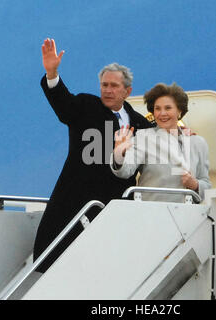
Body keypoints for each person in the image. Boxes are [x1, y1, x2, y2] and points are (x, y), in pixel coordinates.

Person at [33, 39, 153, 273]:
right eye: (104, 85)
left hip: (117, 203)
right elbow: (64, 105)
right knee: (61, 256)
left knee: (110, 262)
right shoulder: (86, 106)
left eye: (114, 86)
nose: (107, 90)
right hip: (77, 197)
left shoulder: (140, 123)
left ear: (127, 91)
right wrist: (52, 74)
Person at [110, 83, 212, 202]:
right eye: (157, 108)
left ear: (179, 110)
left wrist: (195, 185)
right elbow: (125, 171)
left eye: (168, 108)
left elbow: (206, 184)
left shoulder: (198, 143)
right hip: (152, 214)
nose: (162, 113)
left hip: (188, 215)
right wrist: (119, 154)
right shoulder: (143, 138)